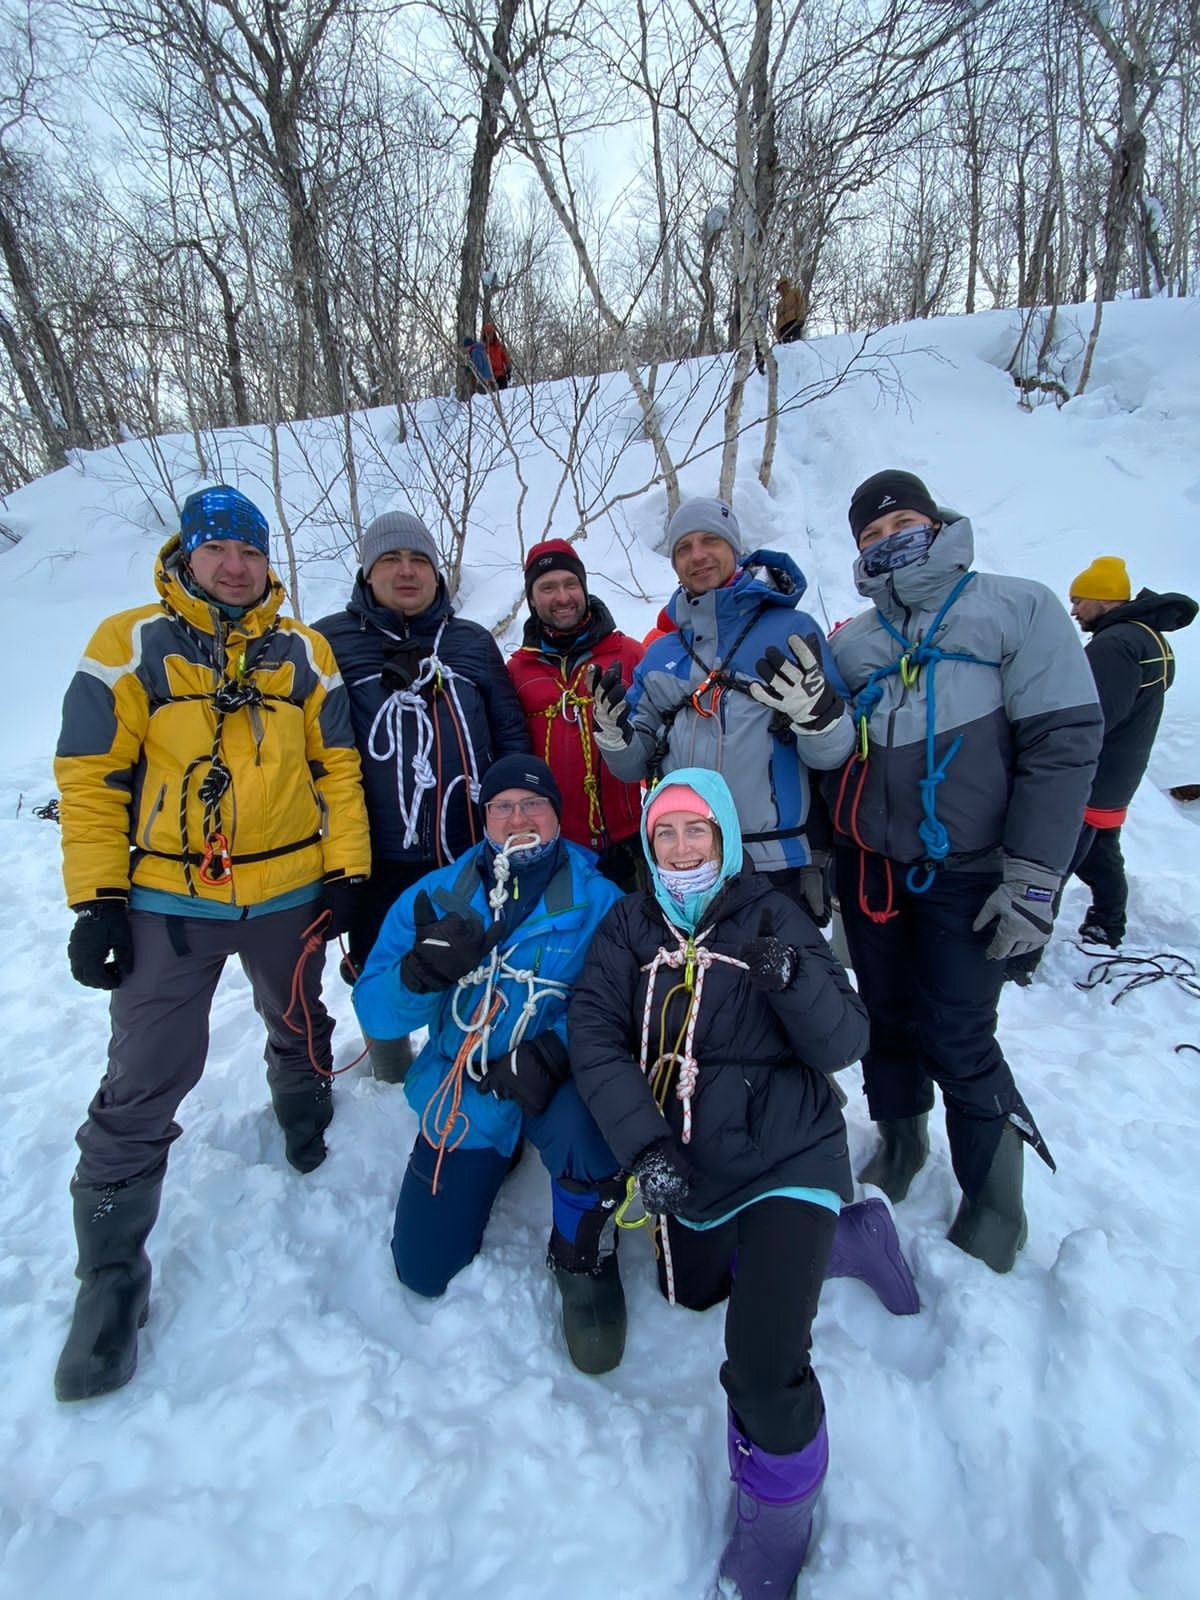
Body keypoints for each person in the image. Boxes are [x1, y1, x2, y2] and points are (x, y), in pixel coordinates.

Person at [52, 484, 371, 1402]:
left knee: (297, 1010)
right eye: (217, 548)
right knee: (146, 1069)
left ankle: (301, 1099)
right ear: (186, 554)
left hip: (288, 885)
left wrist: (349, 871)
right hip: (168, 897)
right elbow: (90, 777)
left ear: (268, 561)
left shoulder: (304, 651)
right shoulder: (128, 644)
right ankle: (109, 1281)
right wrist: (96, 900)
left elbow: (338, 769)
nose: (235, 566)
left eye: (250, 550)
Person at [569, 769, 914, 1599]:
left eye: (698, 833)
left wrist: (793, 980)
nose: (682, 849)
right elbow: (593, 1034)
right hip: (691, 1161)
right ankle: (855, 1238)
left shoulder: (772, 912)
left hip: (788, 1153)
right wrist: (645, 1145)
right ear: (649, 845)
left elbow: (847, 1042)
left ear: (724, 838)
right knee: (693, 1293)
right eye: (666, 835)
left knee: (762, 1364)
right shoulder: (630, 926)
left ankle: (777, 1523)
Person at [821, 468, 1104, 1272]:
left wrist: (1037, 878)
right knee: (882, 1016)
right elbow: (825, 760)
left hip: (974, 872)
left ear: (936, 523)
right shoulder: (854, 643)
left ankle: (995, 1201)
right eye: (870, 536)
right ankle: (903, 1140)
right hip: (871, 870)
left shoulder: (1019, 608)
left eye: (900, 523)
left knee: (960, 1032)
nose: (886, 541)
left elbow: (1064, 747)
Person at [353, 756, 628, 1374]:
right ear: (484, 820)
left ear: (557, 814)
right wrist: (417, 975)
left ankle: (584, 1252)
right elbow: (373, 1008)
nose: (518, 818)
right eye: (501, 807)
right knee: (423, 1270)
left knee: (591, 1129)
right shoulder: (435, 897)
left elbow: (621, 1004)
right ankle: (494, 1156)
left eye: (533, 804)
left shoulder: (599, 900)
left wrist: (556, 1049)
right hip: (467, 1088)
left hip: (557, 1081)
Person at [313, 510, 528, 1082]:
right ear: (367, 571)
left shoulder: (470, 642)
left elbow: (508, 734)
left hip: (463, 847)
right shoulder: (328, 641)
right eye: (390, 559)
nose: (406, 572)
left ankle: (460, 1052)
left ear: (437, 573)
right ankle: (388, 1065)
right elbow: (311, 750)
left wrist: (513, 812)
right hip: (375, 851)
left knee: (470, 953)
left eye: (419, 561)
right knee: (375, 961)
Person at [592, 496, 852, 923]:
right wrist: (615, 739)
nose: (697, 555)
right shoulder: (660, 655)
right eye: (683, 547)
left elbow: (831, 755)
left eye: (709, 540)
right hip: (686, 866)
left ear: (735, 547)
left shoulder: (792, 632)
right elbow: (633, 766)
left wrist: (818, 719)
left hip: (775, 864)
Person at [1066, 556, 1196, 948]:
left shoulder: (1115, 644)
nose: (1073, 610)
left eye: (1079, 600)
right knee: (1099, 853)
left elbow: (1096, 717)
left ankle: (1021, 954)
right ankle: (1107, 921)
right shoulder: (1150, 638)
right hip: (1120, 771)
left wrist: (1059, 756)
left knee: (1051, 861)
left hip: (1092, 774)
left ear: (1104, 600)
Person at [507, 539, 646, 890]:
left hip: (630, 842)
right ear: (532, 598)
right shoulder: (517, 672)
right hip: (554, 845)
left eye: (571, 584)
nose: (563, 596)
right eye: (548, 587)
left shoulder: (628, 654)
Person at [775, 275, 807, 343]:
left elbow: (801, 303)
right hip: (783, 326)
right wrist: (777, 332)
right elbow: (777, 319)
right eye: (779, 288)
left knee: (796, 341)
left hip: (794, 319)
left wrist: (801, 314)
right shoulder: (779, 304)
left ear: (786, 284)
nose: (781, 289)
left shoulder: (795, 291)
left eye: (783, 285)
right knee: (785, 346)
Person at [482, 321, 512, 389]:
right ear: (485, 335)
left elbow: (506, 358)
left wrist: (509, 370)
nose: (489, 336)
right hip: (490, 378)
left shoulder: (499, 346)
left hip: (501, 376)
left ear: (494, 334)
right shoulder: (483, 348)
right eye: (487, 334)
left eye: (491, 334)